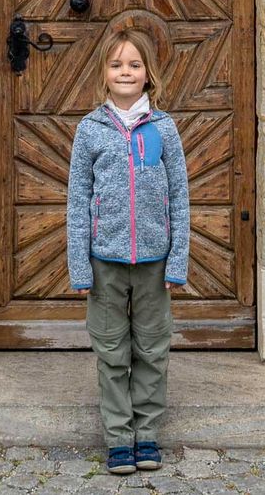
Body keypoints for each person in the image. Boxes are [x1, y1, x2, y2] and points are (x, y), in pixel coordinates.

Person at [66, 26, 190, 476]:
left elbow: (179, 197)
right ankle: (119, 438)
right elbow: (78, 200)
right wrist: (80, 267)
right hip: (105, 261)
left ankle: (147, 434)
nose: (125, 71)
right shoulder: (90, 130)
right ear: (104, 72)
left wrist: (177, 261)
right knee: (112, 350)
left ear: (148, 74)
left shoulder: (163, 128)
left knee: (152, 349)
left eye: (134, 64)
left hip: (155, 261)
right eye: (116, 64)